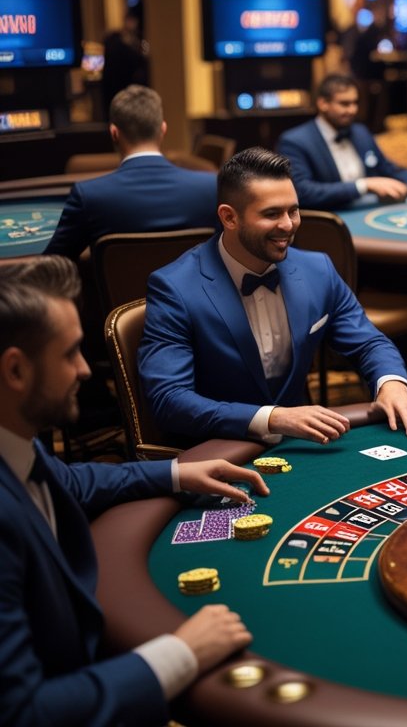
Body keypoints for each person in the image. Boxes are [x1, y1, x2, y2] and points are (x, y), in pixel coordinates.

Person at [0, 255, 267, 726]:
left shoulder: (17, 441)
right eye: (70, 354)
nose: (85, 370)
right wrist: (181, 652)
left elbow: (70, 481)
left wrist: (177, 473)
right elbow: (24, 713)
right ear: (16, 371)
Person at [139, 147, 407, 445]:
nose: (289, 225)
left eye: (293, 210)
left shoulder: (318, 269)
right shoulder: (175, 287)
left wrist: (391, 384)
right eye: (272, 214)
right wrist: (271, 418)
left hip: (301, 445)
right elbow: (169, 400)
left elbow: (368, 342)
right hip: (217, 448)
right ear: (229, 217)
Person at [44, 85, 219, 258]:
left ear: (114, 133)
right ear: (163, 130)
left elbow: (51, 265)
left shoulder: (88, 196)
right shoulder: (213, 187)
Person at [276, 74, 407, 211]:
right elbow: (302, 192)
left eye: (355, 103)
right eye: (344, 104)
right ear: (323, 104)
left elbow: (386, 168)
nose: (352, 110)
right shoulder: (294, 141)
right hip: (330, 217)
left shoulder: (360, 132)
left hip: (367, 210)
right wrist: (362, 185)